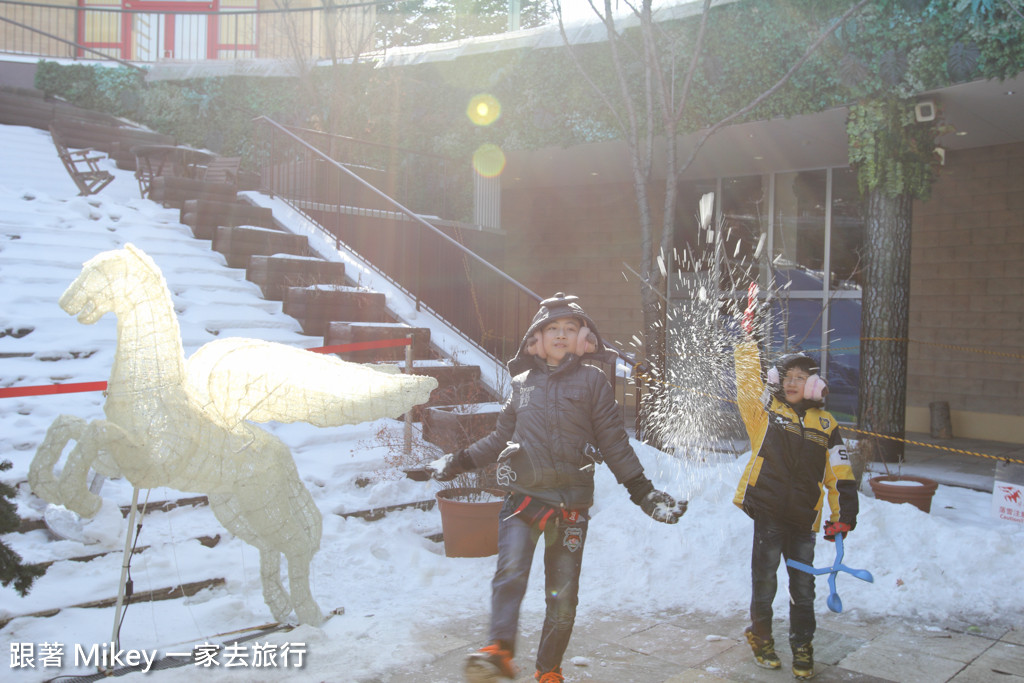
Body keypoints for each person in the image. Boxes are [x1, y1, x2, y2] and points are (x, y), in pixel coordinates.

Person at [426, 292, 686, 683]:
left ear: (585, 339)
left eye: (570, 329)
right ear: (536, 340)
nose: (561, 335)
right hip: (522, 499)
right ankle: (499, 651)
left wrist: (642, 492)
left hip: (570, 508)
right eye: (552, 329)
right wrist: (458, 460)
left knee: (562, 600)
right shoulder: (521, 385)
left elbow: (614, 442)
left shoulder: (594, 382)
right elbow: (499, 439)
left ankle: (548, 669)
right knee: (510, 572)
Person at [732, 284, 858, 681]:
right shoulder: (766, 414)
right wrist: (747, 341)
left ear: (815, 385)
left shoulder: (828, 426)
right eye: (786, 376)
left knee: (803, 591)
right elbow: (748, 384)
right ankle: (761, 636)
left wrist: (845, 516)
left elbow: (841, 476)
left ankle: (803, 647)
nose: (791, 382)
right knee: (764, 582)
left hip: (804, 519)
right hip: (768, 513)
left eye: (800, 377)